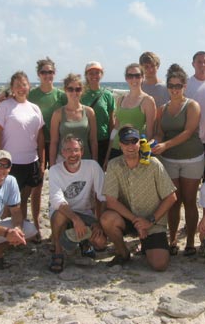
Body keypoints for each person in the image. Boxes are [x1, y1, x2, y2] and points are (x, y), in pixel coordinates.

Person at [101, 126, 177, 271]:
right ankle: (123, 253)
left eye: (134, 141)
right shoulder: (113, 165)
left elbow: (171, 197)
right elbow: (111, 200)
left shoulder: (154, 164)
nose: (130, 146)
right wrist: (137, 222)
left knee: (159, 265)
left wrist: (149, 221)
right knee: (107, 219)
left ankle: (147, 245)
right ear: (120, 145)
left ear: (139, 143)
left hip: (153, 221)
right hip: (129, 219)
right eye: (126, 142)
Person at [152, 64, 204, 256]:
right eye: (171, 86)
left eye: (178, 86)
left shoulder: (192, 106)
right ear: (167, 87)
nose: (174, 89)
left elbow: (188, 132)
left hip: (192, 158)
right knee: (173, 201)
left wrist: (165, 145)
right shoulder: (162, 109)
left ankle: (190, 240)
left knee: (189, 201)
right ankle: (172, 238)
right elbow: (160, 132)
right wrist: (155, 142)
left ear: (184, 86)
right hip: (169, 160)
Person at [0, 71, 45, 241]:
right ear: (12, 89)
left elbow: (40, 136)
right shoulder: (5, 106)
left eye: (24, 84)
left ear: (28, 86)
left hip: (31, 161)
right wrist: (0, 161)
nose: (21, 88)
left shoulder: (34, 108)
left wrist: (42, 161)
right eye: (17, 85)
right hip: (11, 163)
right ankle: (2, 238)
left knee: (23, 200)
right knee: (8, 203)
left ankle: (19, 233)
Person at [48, 135, 107, 273]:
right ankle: (58, 251)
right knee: (59, 215)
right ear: (62, 153)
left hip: (85, 213)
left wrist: (99, 222)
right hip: (64, 213)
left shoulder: (92, 166)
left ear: (82, 151)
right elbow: (57, 201)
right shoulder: (55, 171)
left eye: (76, 150)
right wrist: (75, 219)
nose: (72, 154)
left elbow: (102, 196)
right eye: (68, 150)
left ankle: (84, 242)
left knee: (101, 243)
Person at [28, 57, 67, 242]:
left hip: (59, 144)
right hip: (36, 144)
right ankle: (35, 225)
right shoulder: (31, 95)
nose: (47, 75)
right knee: (37, 185)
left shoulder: (61, 95)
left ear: (54, 74)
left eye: (50, 72)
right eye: (44, 72)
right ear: (38, 74)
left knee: (60, 184)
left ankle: (60, 225)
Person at [107, 63, 156, 162]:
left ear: (142, 77)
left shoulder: (148, 100)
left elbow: (150, 132)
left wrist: (144, 154)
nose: (134, 79)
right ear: (126, 78)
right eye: (130, 76)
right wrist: (107, 155)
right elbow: (115, 129)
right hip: (116, 148)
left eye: (137, 76)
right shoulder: (120, 99)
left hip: (134, 150)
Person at [49, 73, 98, 165]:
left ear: (82, 91)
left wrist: (95, 161)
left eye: (78, 89)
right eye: (70, 89)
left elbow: (93, 140)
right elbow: (54, 142)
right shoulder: (58, 114)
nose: (74, 92)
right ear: (65, 90)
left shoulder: (89, 112)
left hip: (85, 159)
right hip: (63, 160)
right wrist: (52, 165)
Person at [81, 61, 115, 167]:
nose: (94, 76)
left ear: (101, 74)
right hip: (84, 141)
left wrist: (111, 143)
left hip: (102, 140)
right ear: (86, 75)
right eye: (91, 73)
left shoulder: (108, 95)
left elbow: (111, 121)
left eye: (97, 73)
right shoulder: (80, 93)